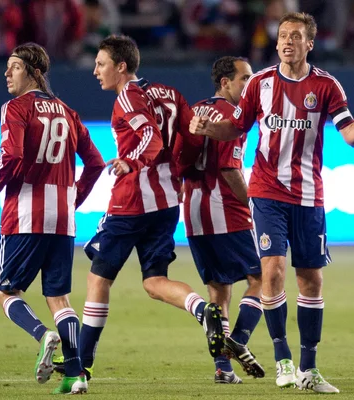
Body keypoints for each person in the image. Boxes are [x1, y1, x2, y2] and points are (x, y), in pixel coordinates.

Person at [190, 12, 354, 394]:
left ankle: (309, 368)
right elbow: (236, 128)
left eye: (296, 36)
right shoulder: (259, 83)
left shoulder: (326, 86)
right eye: (283, 35)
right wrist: (210, 128)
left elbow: (350, 136)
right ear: (276, 44)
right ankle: (283, 360)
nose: (288, 41)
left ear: (310, 43)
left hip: (309, 195)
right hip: (267, 191)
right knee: (271, 272)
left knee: (311, 279)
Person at [73, 34, 224, 384]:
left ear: (121, 66)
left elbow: (151, 139)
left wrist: (131, 161)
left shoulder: (127, 96)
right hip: (168, 201)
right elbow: (193, 136)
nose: (95, 71)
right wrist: (180, 173)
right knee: (154, 281)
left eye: (101, 64)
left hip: (132, 201)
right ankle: (204, 310)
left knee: (98, 278)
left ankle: (81, 366)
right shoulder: (170, 93)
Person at [0, 42, 105, 394]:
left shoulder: (15, 108)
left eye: (15, 67)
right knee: (59, 298)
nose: (7, 73)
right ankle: (74, 376)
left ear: (35, 72)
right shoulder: (68, 112)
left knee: (7, 291)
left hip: (24, 215)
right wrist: (73, 197)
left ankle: (42, 335)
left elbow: (13, 155)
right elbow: (96, 163)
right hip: (63, 218)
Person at [184, 56, 264, 384]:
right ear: (225, 83)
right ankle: (237, 343)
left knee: (218, 290)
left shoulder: (195, 110)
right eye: (244, 78)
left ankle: (223, 369)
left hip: (193, 211)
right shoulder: (234, 116)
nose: (250, 84)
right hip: (224, 209)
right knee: (263, 280)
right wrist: (254, 206)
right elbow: (230, 168)